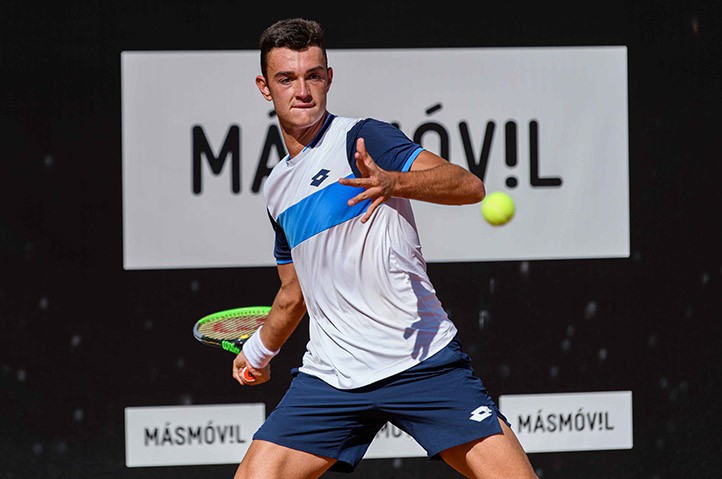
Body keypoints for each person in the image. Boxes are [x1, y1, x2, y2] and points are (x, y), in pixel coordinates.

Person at [231, 17, 537, 479]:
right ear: (264, 86)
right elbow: (294, 293)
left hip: (421, 361)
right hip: (332, 377)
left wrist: (394, 181)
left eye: (314, 75)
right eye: (286, 78)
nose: (303, 91)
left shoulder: (364, 137)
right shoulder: (277, 190)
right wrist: (257, 353)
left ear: (329, 78)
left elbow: (469, 185)